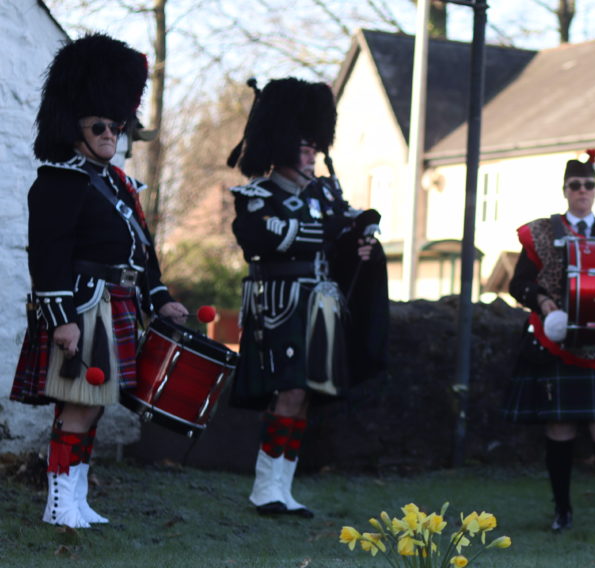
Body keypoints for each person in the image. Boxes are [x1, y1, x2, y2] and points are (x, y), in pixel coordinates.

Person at [9, 34, 189, 528]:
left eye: (117, 124)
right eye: (100, 125)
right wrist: (60, 320)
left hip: (119, 304)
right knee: (78, 404)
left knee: (96, 405)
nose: (112, 132)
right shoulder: (60, 182)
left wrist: (160, 298)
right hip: (85, 307)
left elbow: (141, 251)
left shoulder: (119, 183)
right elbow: (47, 255)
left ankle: (78, 496)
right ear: (74, 126)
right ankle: (58, 504)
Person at [226, 78, 388, 518]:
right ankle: (264, 486)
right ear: (281, 148)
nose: (313, 153)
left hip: (321, 306)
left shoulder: (324, 194)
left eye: (316, 145)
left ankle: (284, 485)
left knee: (307, 394)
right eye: (305, 146)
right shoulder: (258, 195)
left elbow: (341, 232)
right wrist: (334, 229)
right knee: (289, 391)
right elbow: (262, 240)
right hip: (280, 305)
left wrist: (361, 235)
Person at [503, 152, 595, 531]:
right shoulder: (542, 233)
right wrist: (545, 304)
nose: (582, 191)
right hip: (558, 341)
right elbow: (518, 284)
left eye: (588, 185)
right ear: (565, 190)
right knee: (560, 425)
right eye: (575, 185)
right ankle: (562, 510)